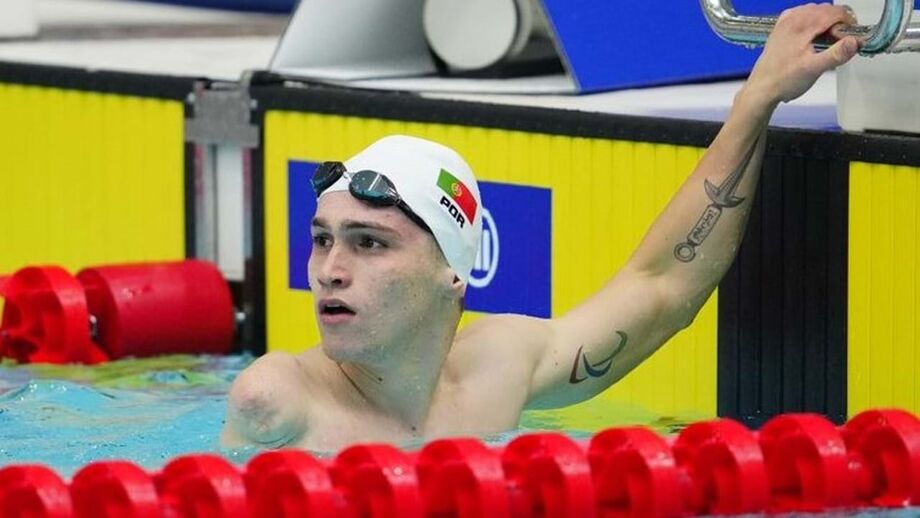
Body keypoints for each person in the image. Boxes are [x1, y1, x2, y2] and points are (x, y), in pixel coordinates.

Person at [221, 4, 861, 451]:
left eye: (370, 243)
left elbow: (663, 288)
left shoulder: (496, 374)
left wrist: (758, 97)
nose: (330, 270)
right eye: (324, 239)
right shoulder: (278, 403)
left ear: (453, 273)